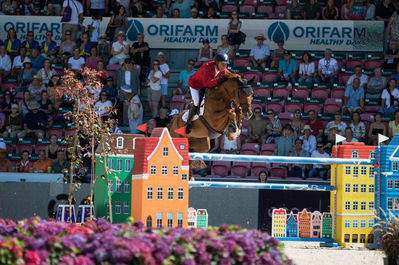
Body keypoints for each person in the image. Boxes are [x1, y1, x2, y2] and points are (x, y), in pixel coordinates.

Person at [186, 53, 229, 133]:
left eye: (225, 64)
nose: (224, 66)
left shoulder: (223, 70)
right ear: (217, 63)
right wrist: (218, 80)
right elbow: (206, 83)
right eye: (222, 64)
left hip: (207, 85)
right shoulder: (207, 67)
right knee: (196, 102)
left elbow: (229, 75)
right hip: (195, 85)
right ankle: (188, 123)